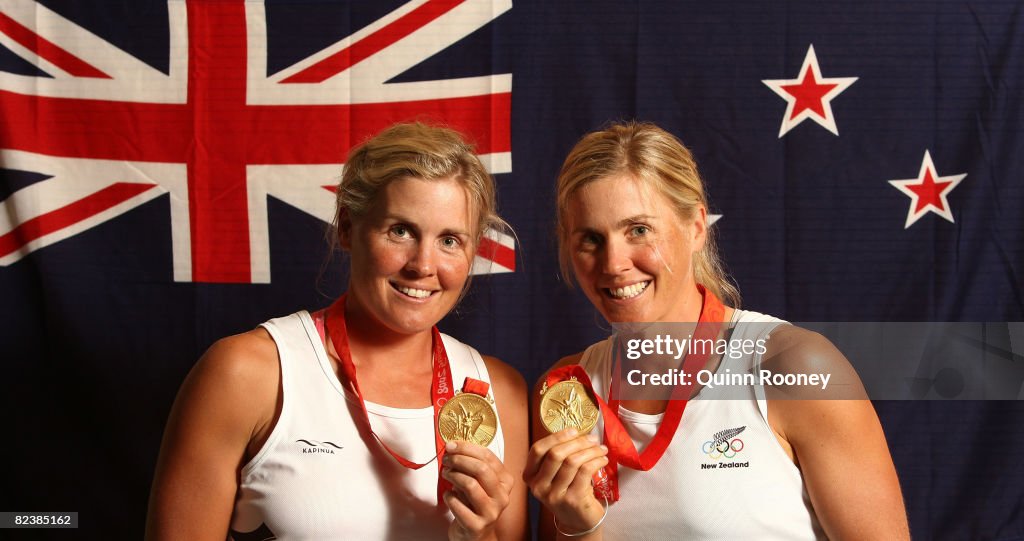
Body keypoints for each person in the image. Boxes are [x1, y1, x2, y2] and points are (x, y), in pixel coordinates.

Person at [524, 121, 909, 540]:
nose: (614, 262)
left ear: (695, 228)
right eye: (591, 239)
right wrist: (581, 527)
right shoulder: (564, 393)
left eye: (638, 230)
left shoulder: (793, 365)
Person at [146, 123, 529, 541]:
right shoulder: (247, 372)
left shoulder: (499, 390)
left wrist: (483, 532)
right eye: (400, 231)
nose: (422, 264)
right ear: (348, 227)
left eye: (450, 240)